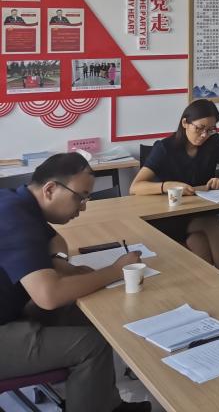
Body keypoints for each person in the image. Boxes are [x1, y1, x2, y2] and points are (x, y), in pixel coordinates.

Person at [0, 152, 150, 412]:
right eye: (80, 197)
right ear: (50, 190)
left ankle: (104, 403)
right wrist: (115, 271)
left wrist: (60, 265)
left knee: (86, 313)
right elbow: (49, 296)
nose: (83, 207)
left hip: (10, 312)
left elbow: (55, 241)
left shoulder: (18, 202)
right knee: (91, 346)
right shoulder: (15, 217)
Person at [129, 99, 219, 276]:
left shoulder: (213, 142)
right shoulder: (164, 148)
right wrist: (167, 186)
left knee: (200, 241)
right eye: (200, 128)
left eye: (210, 129)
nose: (204, 135)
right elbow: (135, 187)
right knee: (212, 225)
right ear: (185, 123)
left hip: (198, 211)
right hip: (169, 216)